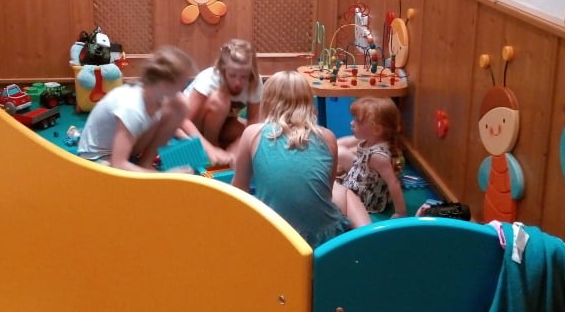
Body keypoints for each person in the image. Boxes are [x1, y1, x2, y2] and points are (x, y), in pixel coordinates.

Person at [232, 70, 370, 248]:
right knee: (344, 192)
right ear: (308, 101)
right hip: (321, 239)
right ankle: (368, 236)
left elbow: (238, 190)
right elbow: (327, 192)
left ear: (266, 102)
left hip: (275, 236)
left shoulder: (253, 133)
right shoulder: (327, 136)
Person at [77, 45, 197, 172]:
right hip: (98, 159)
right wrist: (162, 178)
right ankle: (145, 170)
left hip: (125, 148)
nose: (184, 86)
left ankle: (145, 163)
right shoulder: (132, 107)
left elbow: (172, 117)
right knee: (113, 173)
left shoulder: (155, 95)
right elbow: (119, 164)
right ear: (165, 84)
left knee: (177, 107)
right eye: (182, 83)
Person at [182, 38, 262, 166]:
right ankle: (211, 146)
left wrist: (238, 147)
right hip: (191, 125)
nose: (238, 82)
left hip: (221, 124)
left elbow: (253, 120)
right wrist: (210, 148)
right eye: (232, 75)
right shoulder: (208, 78)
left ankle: (220, 149)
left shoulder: (255, 81)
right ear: (223, 70)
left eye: (244, 76)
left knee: (247, 131)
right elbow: (184, 121)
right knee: (220, 100)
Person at [333, 96, 407, 218]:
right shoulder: (371, 139)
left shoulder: (377, 157)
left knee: (328, 193)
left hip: (364, 198)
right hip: (360, 179)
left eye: (357, 121)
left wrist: (400, 212)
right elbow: (343, 143)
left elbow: (393, 183)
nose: (352, 123)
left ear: (376, 129)